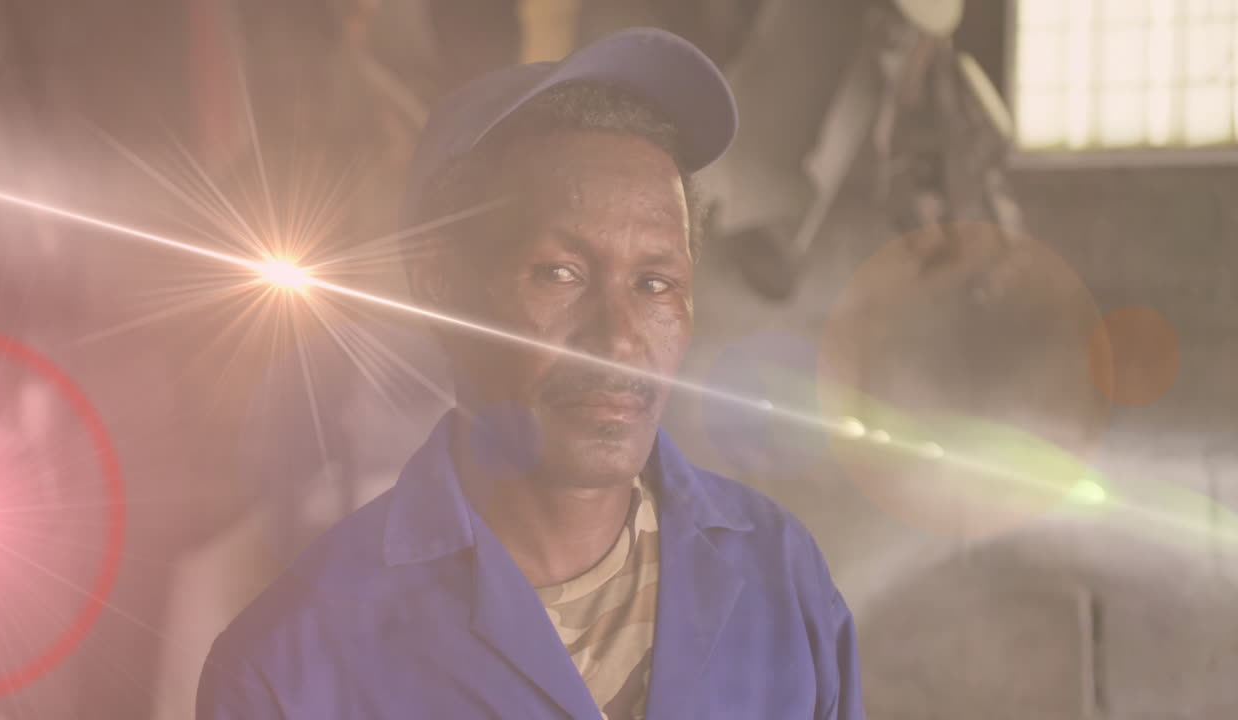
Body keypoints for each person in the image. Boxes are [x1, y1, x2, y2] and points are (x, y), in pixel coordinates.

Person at [196, 27, 862, 719]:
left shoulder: (779, 576)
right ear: (441, 286)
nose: (620, 339)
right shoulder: (294, 661)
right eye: (560, 273)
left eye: (656, 283)